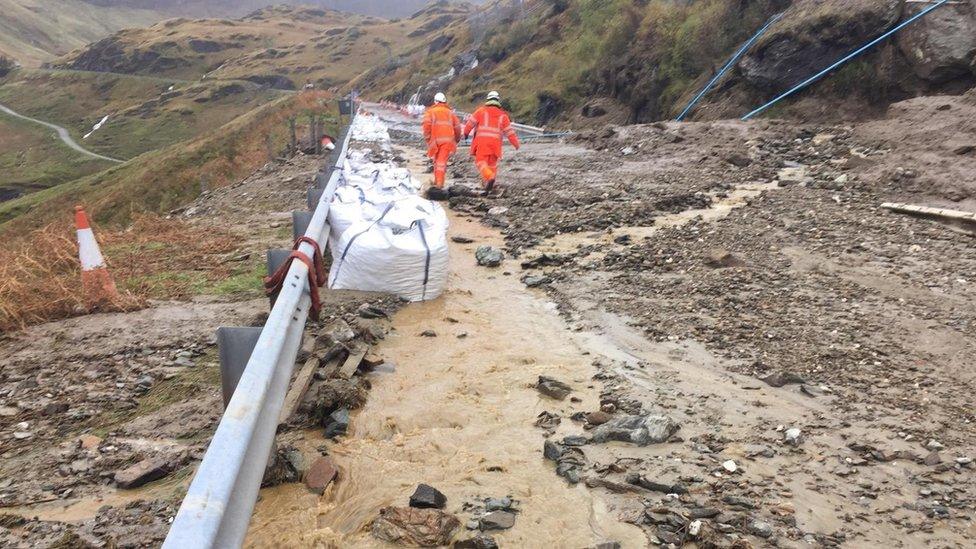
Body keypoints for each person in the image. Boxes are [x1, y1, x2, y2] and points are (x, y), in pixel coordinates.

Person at [463, 90, 520, 196]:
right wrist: (516, 144)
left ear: (488, 100)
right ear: (497, 100)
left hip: (482, 143)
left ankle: (490, 178)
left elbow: (470, 123)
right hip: (495, 145)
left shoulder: (480, 111)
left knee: (481, 162)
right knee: (492, 165)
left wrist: (466, 133)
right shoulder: (503, 116)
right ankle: (489, 187)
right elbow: (510, 132)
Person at [421, 92, 461, 200]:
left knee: (438, 162)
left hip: (436, 141)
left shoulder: (430, 112)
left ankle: (438, 184)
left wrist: (428, 139)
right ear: (444, 101)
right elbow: (457, 127)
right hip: (448, 141)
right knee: (440, 162)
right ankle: (438, 181)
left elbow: (426, 127)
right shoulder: (450, 113)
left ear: (435, 101)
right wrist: (457, 139)